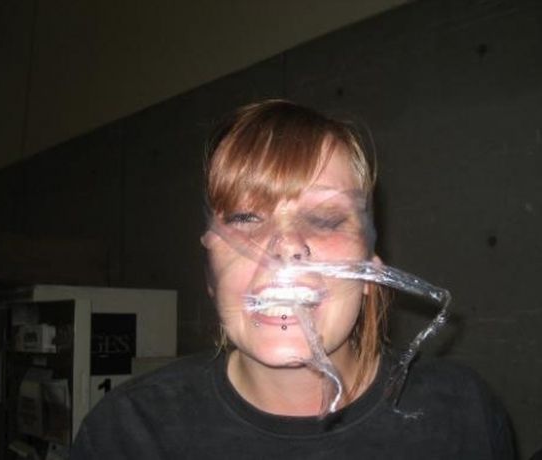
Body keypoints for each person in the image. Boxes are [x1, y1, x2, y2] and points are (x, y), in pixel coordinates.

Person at [71, 100, 515, 459]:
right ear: (211, 274)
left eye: (325, 219)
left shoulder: (462, 414)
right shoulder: (128, 435)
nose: (284, 246)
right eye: (245, 218)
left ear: (372, 272)